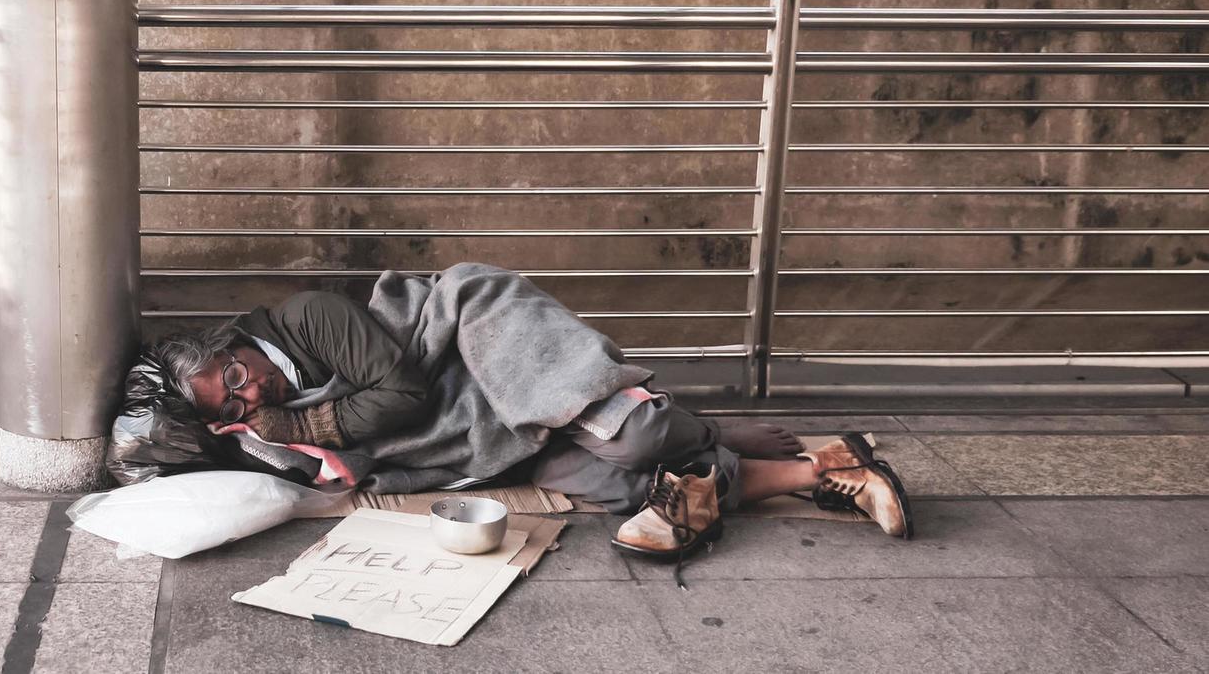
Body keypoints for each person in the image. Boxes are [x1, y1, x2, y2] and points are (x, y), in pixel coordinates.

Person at [151, 266, 911, 584]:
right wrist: (278, 437)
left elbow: (406, 394)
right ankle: (827, 470)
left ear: (239, 346)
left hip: (486, 351)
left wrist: (301, 418)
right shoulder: (263, 426)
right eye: (232, 408)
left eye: (239, 380)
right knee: (617, 487)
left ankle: (693, 430)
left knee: (638, 437)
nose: (249, 399)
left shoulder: (305, 318)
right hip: (480, 431)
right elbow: (351, 460)